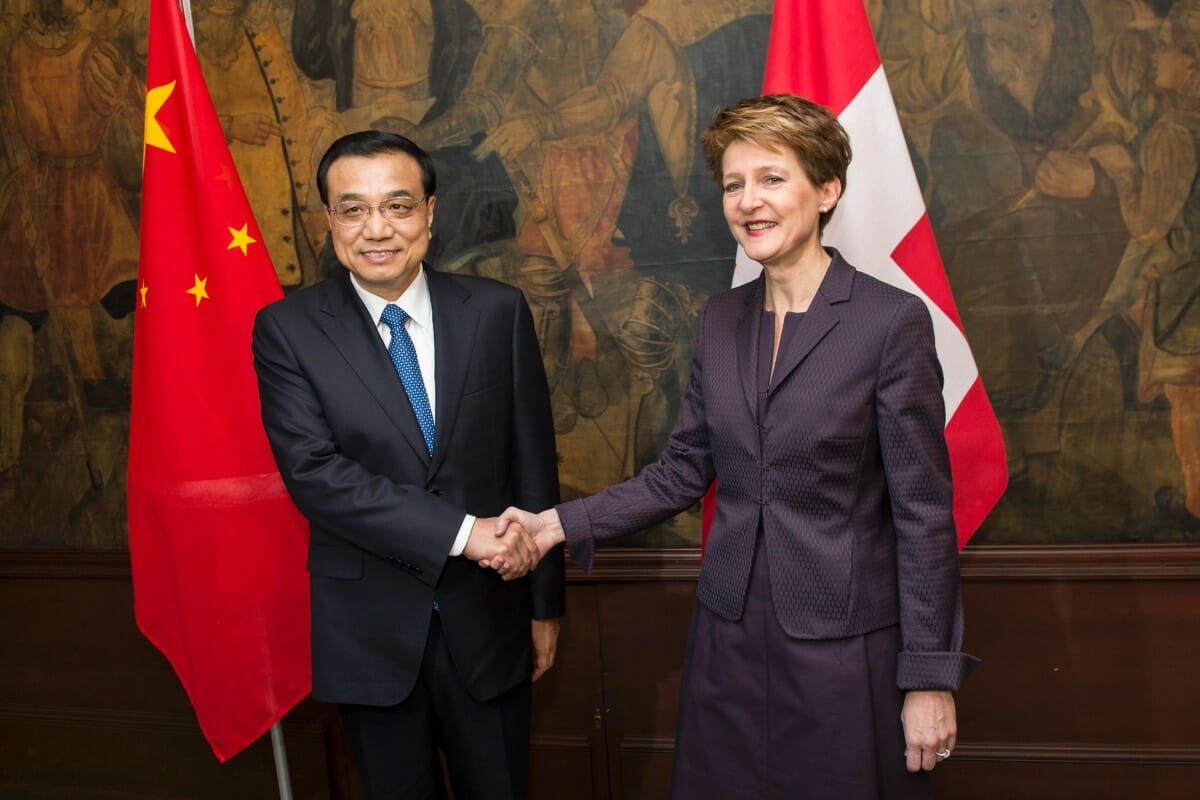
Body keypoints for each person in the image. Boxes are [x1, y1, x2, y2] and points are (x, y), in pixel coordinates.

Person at [496, 94, 979, 799]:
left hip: (843, 644)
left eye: (772, 179)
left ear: (826, 190)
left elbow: (924, 515)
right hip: (728, 635)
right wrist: (555, 525)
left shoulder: (889, 322)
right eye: (732, 183)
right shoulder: (720, 319)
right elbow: (681, 471)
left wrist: (930, 677)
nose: (748, 201)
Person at [251, 130, 564, 800]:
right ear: (328, 221)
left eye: (397, 206)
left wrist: (546, 605)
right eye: (353, 209)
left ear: (429, 212)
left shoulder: (498, 311)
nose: (377, 230)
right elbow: (315, 474)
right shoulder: (287, 330)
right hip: (369, 635)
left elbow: (534, 466)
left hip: (491, 624)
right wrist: (462, 531)